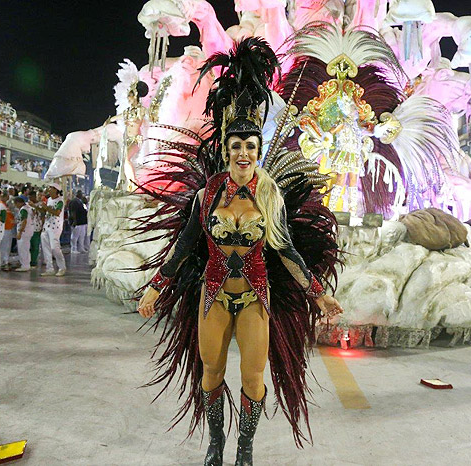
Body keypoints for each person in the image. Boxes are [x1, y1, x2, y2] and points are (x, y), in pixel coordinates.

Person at [136, 38, 342, 465]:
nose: (244, 153)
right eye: (237, 146)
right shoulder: (207, 194)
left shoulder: (270, 197)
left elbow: (286, 252)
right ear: (227, 151)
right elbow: (184, 246)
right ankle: (216, 442)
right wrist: (156, 287)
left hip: (254, 296)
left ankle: (244, 448)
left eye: (251, 146)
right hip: (212, 293)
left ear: (258, 150)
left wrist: (317, 292)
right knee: (211, 373)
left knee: (253, 377)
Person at [36, 183, 66, 276]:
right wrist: (36, 207)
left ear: (56, 190)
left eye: (51, 188)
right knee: (45, 248)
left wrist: (46, 208)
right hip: (46, 226)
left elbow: (57, 212)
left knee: (54, 247)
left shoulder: (60, 201)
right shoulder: (48, 200)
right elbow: (45, 212)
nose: (49, 189)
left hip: (55, 227)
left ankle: (62, 267)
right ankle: (49, 268)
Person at [14, 196, 33, 272]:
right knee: (26, 248)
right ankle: (27, 264)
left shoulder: (23, 210)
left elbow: (24, 221)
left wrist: (20, 232)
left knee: (22, 248)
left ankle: (24, 265)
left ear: (18, 203)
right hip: (29, 230)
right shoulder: (28, 207)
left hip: (24, 232)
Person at [0, 191, 15, 270]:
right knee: (4, 246)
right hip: (3, 229)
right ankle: (3, 261)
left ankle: (5, 260)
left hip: (8, 228)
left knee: (7, 246)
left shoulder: (6, 205)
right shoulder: (1, 205)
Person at [28, 190, 43, 268]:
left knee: (35, 246)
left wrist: (42, 226)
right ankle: (28, 260)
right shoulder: (27, 205)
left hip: (37, 227)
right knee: (28, 245)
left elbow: (42, 214)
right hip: (28, 227)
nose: (30, 199)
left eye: (31, 197)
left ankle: (33, 261)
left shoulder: (40, 205)